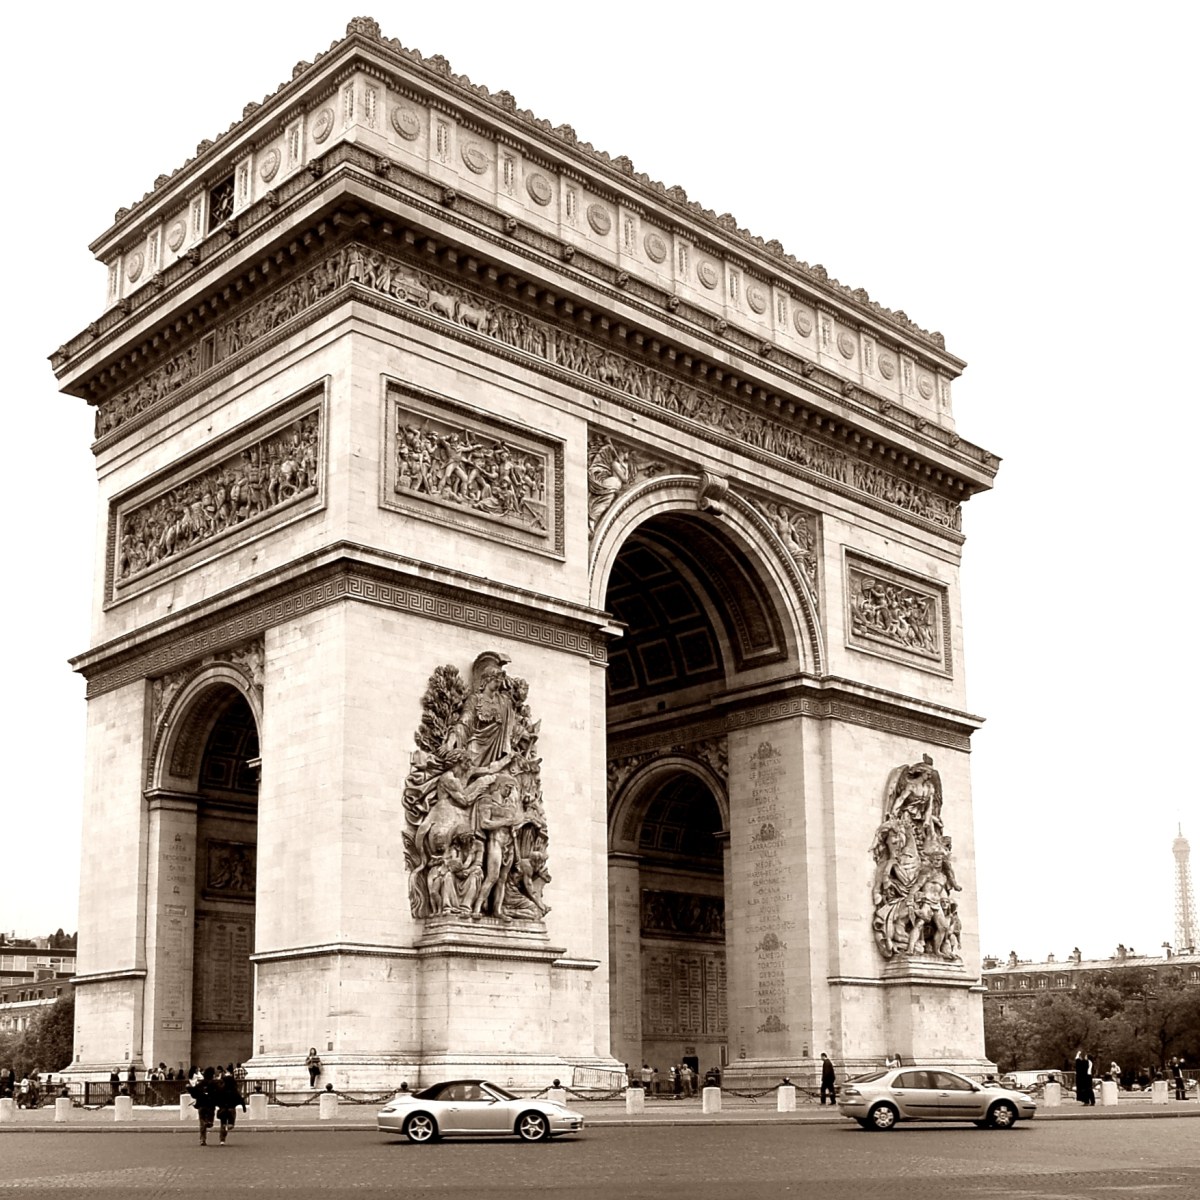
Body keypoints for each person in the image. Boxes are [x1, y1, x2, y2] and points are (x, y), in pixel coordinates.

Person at [187, 1067, 220, 1147]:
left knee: (201, 1122)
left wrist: (189, 1088)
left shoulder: (201, 1084)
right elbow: (218, 1093)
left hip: (201, 1104)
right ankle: (208, 1123)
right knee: (210, 1121)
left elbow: (194, 1093)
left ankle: (203, 1139)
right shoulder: (214, 1084)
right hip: (210, 1105)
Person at [215, 1071, 247, 1145]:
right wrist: (244, 1107)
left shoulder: (221, 1090)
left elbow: (216, 1098)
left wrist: (217, 1105)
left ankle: (222, 1140)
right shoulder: (234, 1090)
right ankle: (228, 1127)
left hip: (223, 1108)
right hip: (231, 1109)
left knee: (222, 1124)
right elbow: (240, 1099)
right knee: (231, 1124)